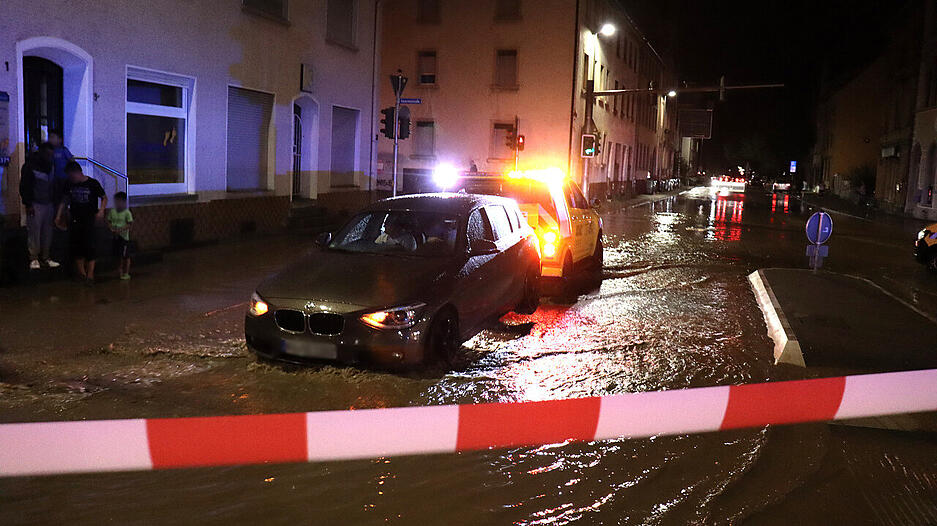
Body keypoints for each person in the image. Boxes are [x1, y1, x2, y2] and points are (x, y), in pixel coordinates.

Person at [56, 161, 106, 284]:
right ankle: (82, 274)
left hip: (89, 219)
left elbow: (104, 197)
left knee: (89, 246)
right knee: (77, 247)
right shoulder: (69, 184)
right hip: (75, 218)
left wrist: (101, 211)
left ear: (78, 173)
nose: (71, 179)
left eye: (72, 176)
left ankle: (90, 275)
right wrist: (58, 215)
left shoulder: (92, 184)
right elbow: (65, 200)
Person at [19, 143, 60, 270]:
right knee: (34, 232)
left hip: (49, 203)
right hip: (35, 203)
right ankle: (34, 258)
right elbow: (25, 186)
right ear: (42, 153)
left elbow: (54, 185)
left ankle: (46, 257)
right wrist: (28, 203)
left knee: (48, 232)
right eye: (48, 154)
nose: (50, 157)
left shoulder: (51, 166)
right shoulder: (30, 166)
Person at [106, 191, 133, 280]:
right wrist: (111, 228)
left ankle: (126, 272)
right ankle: (119, 270)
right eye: (116, 201)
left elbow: (130, 224)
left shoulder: (127, 212)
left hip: (124, 238)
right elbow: (108, 221)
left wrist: (120, 230)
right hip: (115, 237)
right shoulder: (112, 211)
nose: (118, 203)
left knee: (126, 256)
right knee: (118, 255)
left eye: (120, 201)